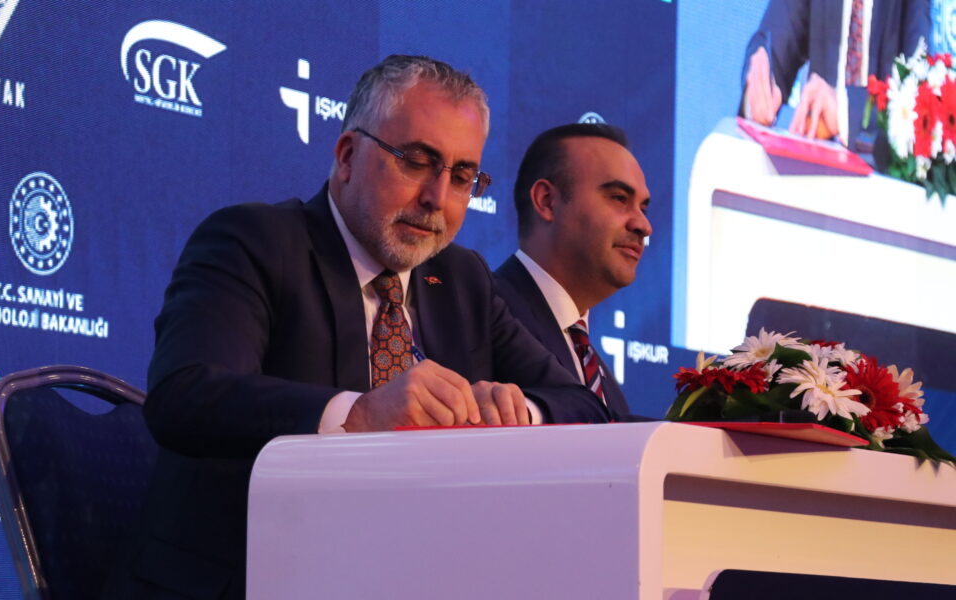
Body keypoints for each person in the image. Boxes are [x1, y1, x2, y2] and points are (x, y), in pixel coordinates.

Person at [101, 55, 606, 600]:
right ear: (347, 156)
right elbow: (187, 395)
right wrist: (358, 415)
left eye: (462, 177)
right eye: (417, 161)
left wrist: (519, 411)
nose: (437, 198)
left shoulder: (462, 280)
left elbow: (583, 406)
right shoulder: (254, 241)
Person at [494, 123, 651, 423]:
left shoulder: (604, 381)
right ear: (547, 201)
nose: (643, 225)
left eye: (643, 208)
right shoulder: (484, 315)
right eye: (619, 198)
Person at [740, 0, 929, 147]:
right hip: (812, 159)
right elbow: (776, 39)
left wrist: (845, 112)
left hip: (879, 169)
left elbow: (920, 93)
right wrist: (759, 90)